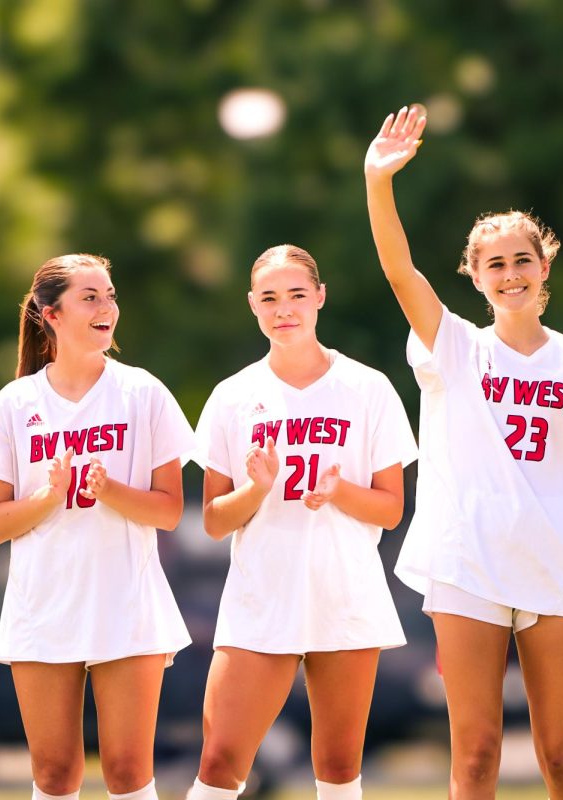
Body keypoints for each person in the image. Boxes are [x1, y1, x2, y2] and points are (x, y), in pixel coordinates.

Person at [364, 106, 563, 800]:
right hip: (469, 565)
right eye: (496, 263)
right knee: (477, 757)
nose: (511, 272)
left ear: (544, 267)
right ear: (475, 275)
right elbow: (400, 273)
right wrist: (378, 180)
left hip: (554, 569)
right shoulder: (456, 344)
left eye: (522, 259)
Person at [186, 244, 417, 800]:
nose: (283, 309)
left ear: (319, 297)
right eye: (269, 298)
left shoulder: (367, 387)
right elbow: (215, 521)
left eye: (295, 295)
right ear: (252, 305)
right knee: (220, 763)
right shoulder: (232, 396)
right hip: (261, 596)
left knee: (337, 767)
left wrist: (339, 492)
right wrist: (258, 490)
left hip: (344, 592)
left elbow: (391, 509)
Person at [0, 254, 195, 800]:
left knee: (126, 772)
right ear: (50, 314)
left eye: (110, 296)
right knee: (54, 775)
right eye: (90, 297)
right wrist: (50, 496)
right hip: (43, 607)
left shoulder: (143, 393)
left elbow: (168, 510)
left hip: (128, 603)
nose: (107, 308)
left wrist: (110, 491)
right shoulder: (14, 403)